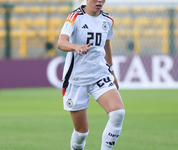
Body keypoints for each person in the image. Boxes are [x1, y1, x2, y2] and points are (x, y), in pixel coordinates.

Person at [57, 0, 125, 150]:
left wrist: (112, 72)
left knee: (118, 113)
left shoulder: (108, 20)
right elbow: (61, 43)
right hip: (76, 79)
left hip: (99, 75)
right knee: (81, 133)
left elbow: (106, 45)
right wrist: (76, 47)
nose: (99, 1)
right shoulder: (74, 17)